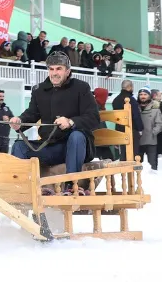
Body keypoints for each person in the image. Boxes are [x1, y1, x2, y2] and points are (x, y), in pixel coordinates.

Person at [10, 51, 100, 195]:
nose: (54, 73)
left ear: (68, 71)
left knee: (76, 136)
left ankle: (72, 186)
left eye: (59, 69)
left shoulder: (81, 88)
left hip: (76, 146)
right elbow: (32, 114)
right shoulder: (39, 90)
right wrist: (20, 121)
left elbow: (94, 118)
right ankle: (23, 188)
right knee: (19, 146)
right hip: (51, 147)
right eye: (51, 69)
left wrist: (71, 122)